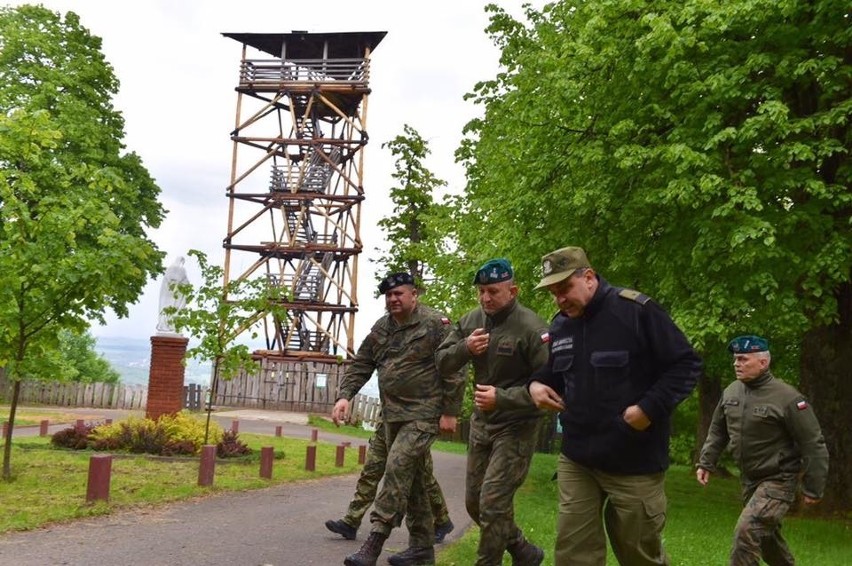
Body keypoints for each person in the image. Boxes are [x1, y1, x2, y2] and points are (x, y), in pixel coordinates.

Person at [527, 246, 702, 565]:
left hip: (634, 459)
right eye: (553, 292)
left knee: (638, 554)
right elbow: (553, 371)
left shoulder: (636, 311)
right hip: (577, 456)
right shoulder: (561, 324)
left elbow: (686, 364)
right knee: (573, 552)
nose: (560, 299)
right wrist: (536, 384)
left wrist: (648, 408)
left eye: (564, 288)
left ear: (589, 277)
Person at [332, 272, 464, 566]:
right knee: (414, 480)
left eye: (399, 294)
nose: (392, 299)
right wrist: (345, 396)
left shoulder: (435, 324)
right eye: (388, 296)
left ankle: (374, 543)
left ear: (414, 295)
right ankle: (421, 548)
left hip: (424, 414)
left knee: (396, 468)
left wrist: (450, 411)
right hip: (392, 416)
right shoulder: (383, 328)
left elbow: (455, 367)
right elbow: (363, 362)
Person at [436, 258, 549, 566]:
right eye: (481, 292)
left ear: (513, 290)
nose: (485, 298)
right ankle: (524, 551)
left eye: (493, 292)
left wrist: (503, 398)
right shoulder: (472, 320)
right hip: (482, 424)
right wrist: (465, 349)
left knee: (493, 503)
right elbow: (442, 361)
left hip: (517, 425)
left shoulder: (531, 327)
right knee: (475, 504)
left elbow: (552, 388)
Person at [696, 335, 829, 566]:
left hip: (779, 478)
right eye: (735, 359)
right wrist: (706, 462)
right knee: (767, 540)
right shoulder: (731, 392)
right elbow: (718, 431)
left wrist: (813, 487)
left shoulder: (788, 398)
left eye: (743, 359)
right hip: (749, 480)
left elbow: (813, 443)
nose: (736, 364)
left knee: (746, 532)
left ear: (763, 362)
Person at [324, 414, 455, 544]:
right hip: (386, 423)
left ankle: (442, 520)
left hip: (413, 428)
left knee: (424, 479)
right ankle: (351, 521)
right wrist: (344, 397)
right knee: (369, 473)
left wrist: (447, 413)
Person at [156, 255, 189, 334]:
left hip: (168, 294)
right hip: (176, 294)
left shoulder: (169, 269)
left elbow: (167, 282)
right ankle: (170, 325)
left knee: (167, 308)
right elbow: (182, 280)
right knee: (175, 308)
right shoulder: (181, 269)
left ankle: (166, 325)